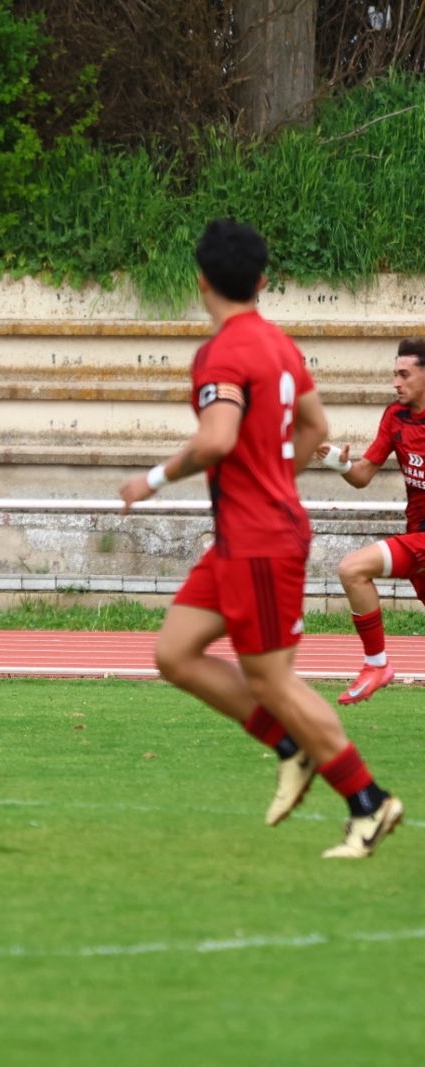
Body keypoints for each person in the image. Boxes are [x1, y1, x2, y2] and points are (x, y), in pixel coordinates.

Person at [118, 218, 402, 859]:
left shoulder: (220, 352)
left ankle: (369, 800)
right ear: (264, 281)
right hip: (242, 535)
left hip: (259, 537)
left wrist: (153, 479)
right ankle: (289, 744)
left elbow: (218, 438)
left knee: (273, 680)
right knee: (176, 651)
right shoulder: (278, 344)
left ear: (200, 282)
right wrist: (274, 472)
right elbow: (315, 426)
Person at [312, 337, 425, 706]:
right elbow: (362, 476)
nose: (396, 382)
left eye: (404, 374)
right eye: (394, 374)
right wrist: (341, 464)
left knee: (352, 568)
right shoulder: (395, 417)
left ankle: (376, 665)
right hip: (417, 537)